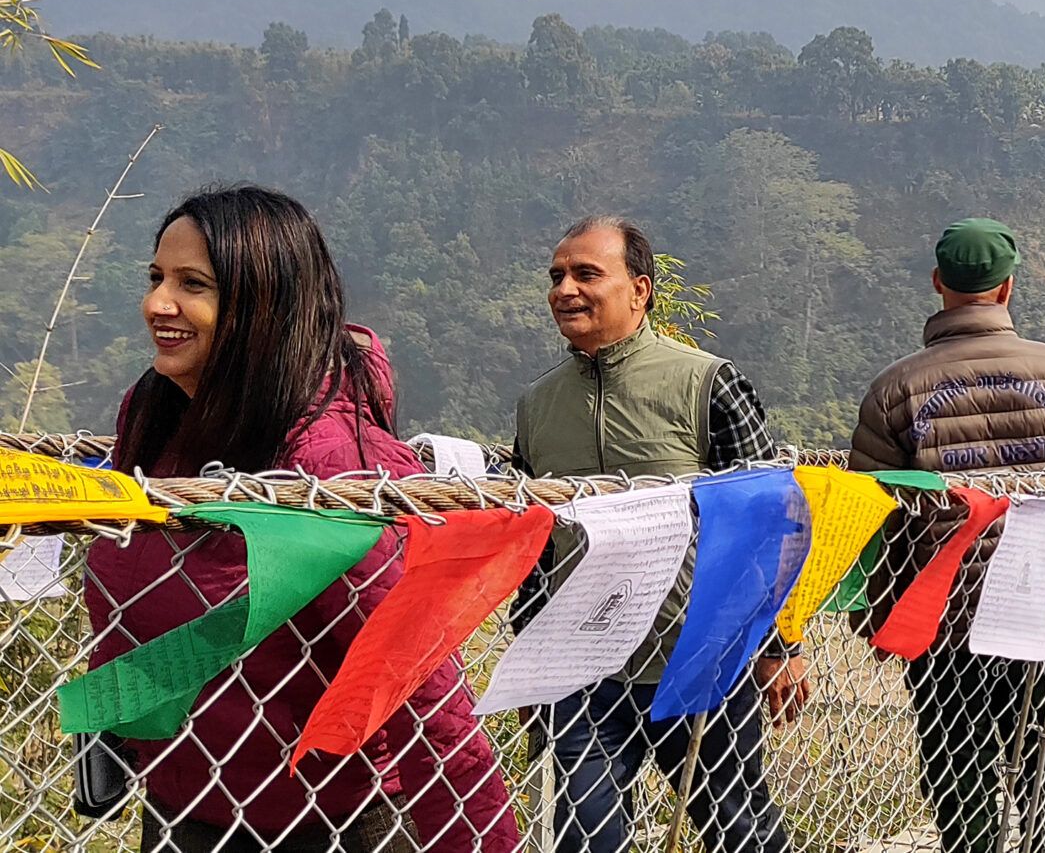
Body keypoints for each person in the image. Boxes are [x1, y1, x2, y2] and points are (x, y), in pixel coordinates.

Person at [85, 185, 519, 853]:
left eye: (192, 284)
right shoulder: (154, 416)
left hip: (328, 822)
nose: (156, 304)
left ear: (262, 305)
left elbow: (415, 675)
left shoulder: (332, 461)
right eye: (155, 277)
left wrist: (482, 840)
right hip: (182, 809)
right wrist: (107, 724)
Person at [511, 217, 801, 853]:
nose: (565, 289)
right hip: (582, 672)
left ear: (640, 290)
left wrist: (781, 644)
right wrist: (529, 664)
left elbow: (764, 523)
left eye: (587, 274)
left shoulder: (707, 383)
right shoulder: (537, 405)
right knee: (584, 837)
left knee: (740, 829)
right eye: (557, 276)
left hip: (701, 659)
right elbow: (533, 542)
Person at [847, 218, 1045, 853]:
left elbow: (872, 517)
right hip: (1042, 604)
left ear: (938, 283)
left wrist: (883, 617)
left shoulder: (895, 390)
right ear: (1008, 287)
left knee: (957, 766)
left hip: (942, 611)